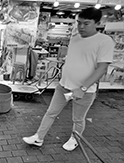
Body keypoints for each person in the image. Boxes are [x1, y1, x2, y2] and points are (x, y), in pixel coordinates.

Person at [22, 8, 115, 151]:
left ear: (97, 23)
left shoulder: (104, 41)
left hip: (84, 91)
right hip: (63, 86)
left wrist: (83, 88)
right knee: (51, 112)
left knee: (78, 119)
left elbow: (102, 68)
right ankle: (38, 137)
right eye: (79, 23)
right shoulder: (75, 38)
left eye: (86, 23)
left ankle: (75, 139)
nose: (81, 27)